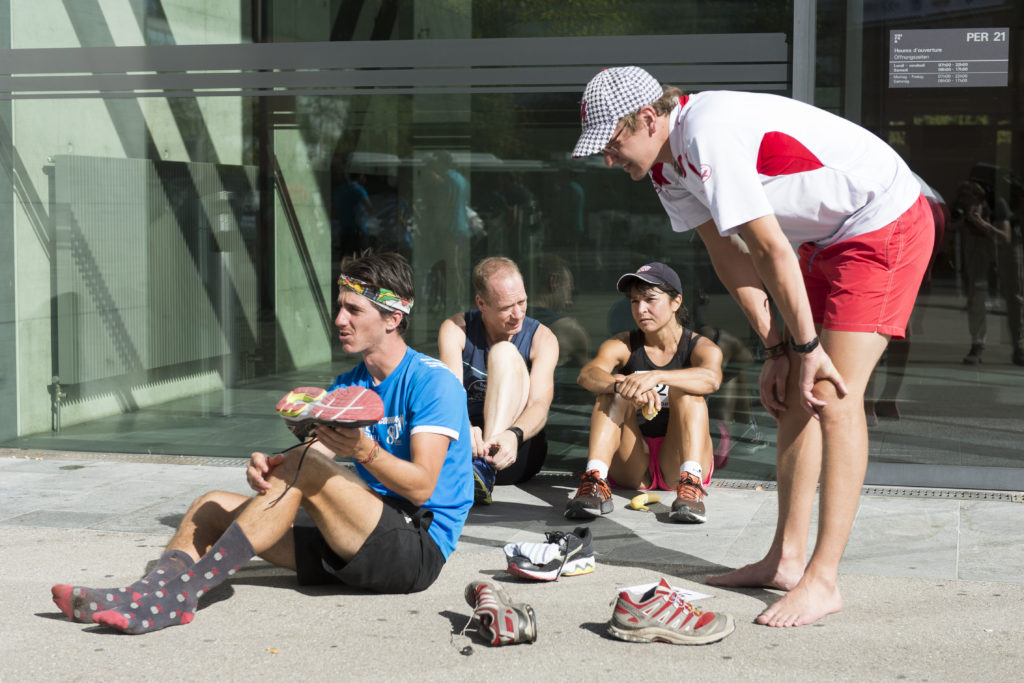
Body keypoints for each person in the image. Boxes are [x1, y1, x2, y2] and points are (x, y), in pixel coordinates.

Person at [572, 66, 934, 627]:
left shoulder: (707, 131)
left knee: (834, 394)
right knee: (796, 390)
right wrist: (776, 348)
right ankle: (785, 561)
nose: (608, 159)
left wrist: (807, 345)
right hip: (824, 237)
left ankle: (824, 579)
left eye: (612, 143)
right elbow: (727, 252)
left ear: (648, 118)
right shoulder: (667, 168)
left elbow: (767, 247)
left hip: (882, 220)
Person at [51, 251, 473, 634]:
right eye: (340, 307)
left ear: (392, 318)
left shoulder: (432, 382)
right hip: (355, 536)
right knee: (208, 506)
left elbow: (421, 487)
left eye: (353, 309)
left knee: (303, 470)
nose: (340, 319)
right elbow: (315, 457)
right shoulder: (349, 386)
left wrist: (361, 449)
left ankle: (178, 597)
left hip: (415, 549)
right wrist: (272, 464)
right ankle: (144, 592)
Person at [568, 262, 723, 524]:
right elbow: (588, 374)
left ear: (676, 302)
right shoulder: (624, 343)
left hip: (679, 460)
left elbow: (712, 379)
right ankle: (594, 482)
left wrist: (658, 376)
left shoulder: (700, 346)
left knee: (686, 391)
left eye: (651, 299)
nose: (641, 309)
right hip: (633, 462)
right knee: (612, 388)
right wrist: (622, 386)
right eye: (634, 301)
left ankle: (691, 486)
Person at [438, 256, 559, 504]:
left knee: (503, 352)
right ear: (482, 303)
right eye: (506, 307)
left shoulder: (542, 338)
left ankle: (484, 468)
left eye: (522, 302)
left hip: (514, 448)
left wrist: (513, 435)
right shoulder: (456, 329)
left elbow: (540, 405)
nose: (517, 314)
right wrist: (464, 426)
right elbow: (449, 394)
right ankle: (477, 468)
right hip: (466, 441)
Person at [950, 179, 1023, 366]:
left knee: (1014, 297)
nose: (965, 202)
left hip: (1006, 248)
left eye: (968, 198)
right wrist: (960, 219)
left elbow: (1005, 238)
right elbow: (951, 227)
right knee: (976, 296)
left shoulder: (997, 204)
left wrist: (982, 222)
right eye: (962, 198)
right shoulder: (962, 208)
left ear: (979, 197)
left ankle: (1019, 345)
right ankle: (977, 345)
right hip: (978, 246)